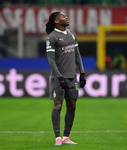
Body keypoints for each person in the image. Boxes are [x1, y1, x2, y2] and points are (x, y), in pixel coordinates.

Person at [45, 12, 86, 146]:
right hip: (59, 78)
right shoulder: (52, 37)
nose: (66, 17)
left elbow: (77, 54)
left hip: (72, 77)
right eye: (63, 17)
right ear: (56, 21)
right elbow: (51, 60)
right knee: (57, 106)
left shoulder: (72, 33)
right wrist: (59, 76)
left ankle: (66, 137)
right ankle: (57, 138)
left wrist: (82, 72)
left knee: (72, 106)